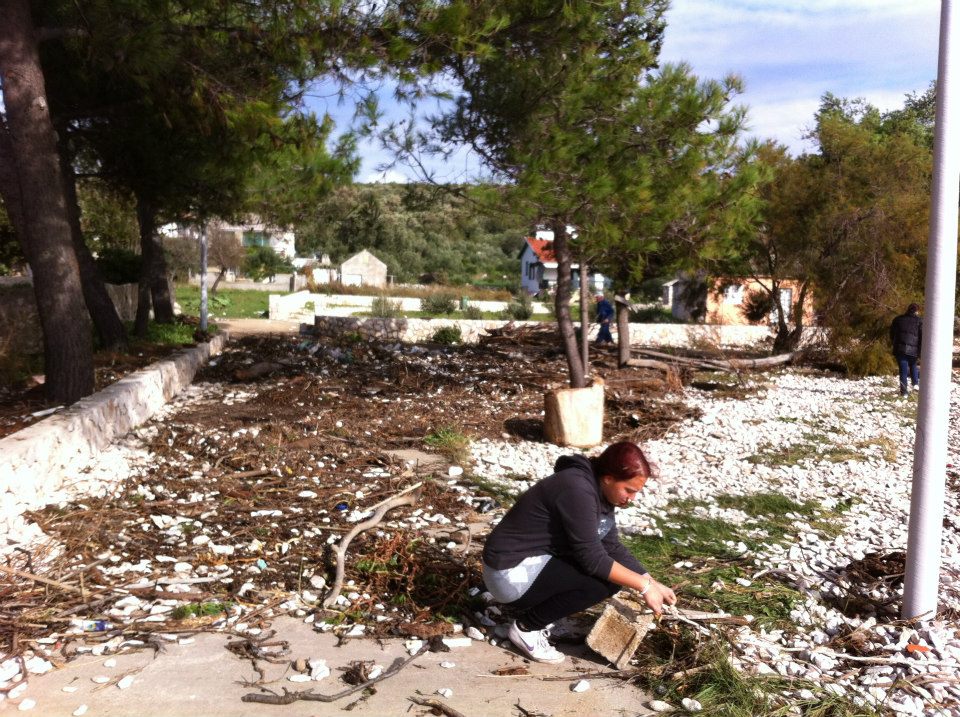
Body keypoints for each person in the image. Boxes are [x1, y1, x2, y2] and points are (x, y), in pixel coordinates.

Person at [482, 442, 676, 664]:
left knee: (602, 567)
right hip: (508, 573)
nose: (631, 499)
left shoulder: (601, 493)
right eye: (629, 490)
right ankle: (527, 628)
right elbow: (593, 558)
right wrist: (644, 588)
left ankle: (546, 618)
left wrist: (651, 580)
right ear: (609, 478)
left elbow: (611, 546)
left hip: (533, 561)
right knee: (604, 582)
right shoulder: (577, 489)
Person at [890, 303, 922, 397]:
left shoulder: (898, 319)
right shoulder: (920, 321)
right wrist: (920, 350)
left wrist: (895, 343)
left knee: (903, 371)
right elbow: (921, 336)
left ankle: (904, 393)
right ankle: (915, 384)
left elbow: (892, 334)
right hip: (914, 350)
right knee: (913, 365)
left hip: (900, 349)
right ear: (916, 311)